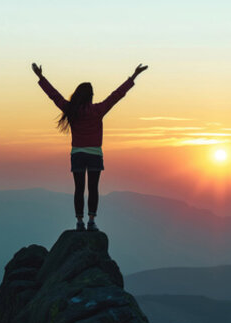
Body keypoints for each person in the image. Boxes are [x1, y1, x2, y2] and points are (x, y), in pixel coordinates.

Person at [32, 62, 148, 231]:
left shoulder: (71, 110)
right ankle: (91, 221)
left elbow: (54, 95)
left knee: (79, 189)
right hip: (94, 154)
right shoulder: (98, 110)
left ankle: (79, 222)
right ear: (90, 96)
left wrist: (41, 78)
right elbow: (117, 95)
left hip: (77, 154)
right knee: (93, 188)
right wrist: (134, 76)